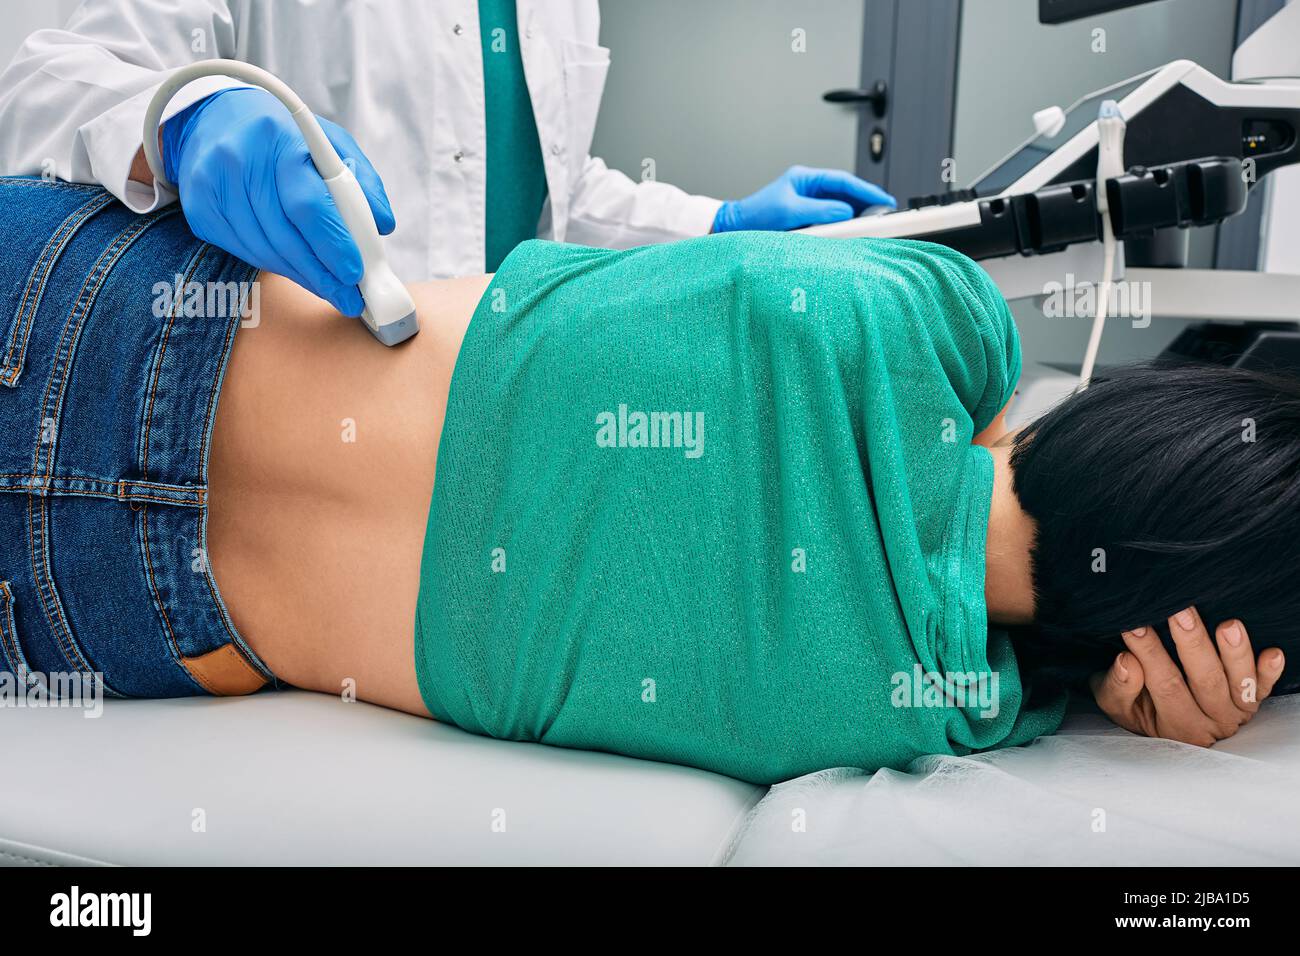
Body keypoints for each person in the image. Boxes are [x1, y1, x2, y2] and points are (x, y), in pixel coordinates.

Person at [0, 177, 1287, 784]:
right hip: (119, 611)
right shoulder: (927, 715)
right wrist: (1111, 683)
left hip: (107, 307)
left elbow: (961, 475)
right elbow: (997, 600)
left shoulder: (940, 315)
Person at [0, 0, 895, 318]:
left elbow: (558, 190)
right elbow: (42, 84)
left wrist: (720, 222)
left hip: (498, 387)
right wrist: (185, 118)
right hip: (294, 406)